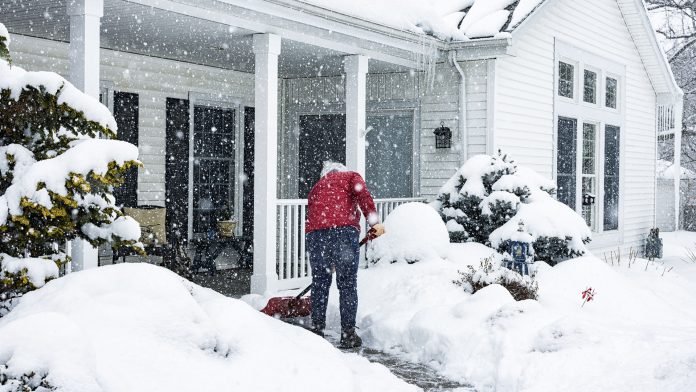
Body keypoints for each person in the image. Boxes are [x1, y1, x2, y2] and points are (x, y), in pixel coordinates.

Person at [305, 161, 385, 348]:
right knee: (347, 284)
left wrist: (324, 252)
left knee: (320, 283)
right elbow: (364, 196)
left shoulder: (317, 187)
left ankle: (317, 330)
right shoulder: (350, 177)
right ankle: (348, 334)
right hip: (343, 234)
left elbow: (313, 215)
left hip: (316, 236)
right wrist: (374, 223)